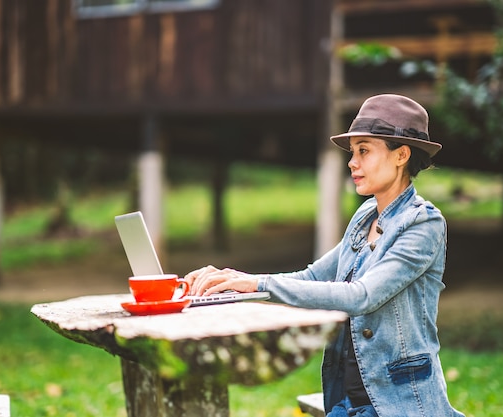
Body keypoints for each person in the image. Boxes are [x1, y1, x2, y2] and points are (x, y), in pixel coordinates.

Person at [185, 94, 465, 417]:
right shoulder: (365, 216)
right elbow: (313, 278)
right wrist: (237, 283)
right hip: (347, 401)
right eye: (353, 152)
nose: (352, 161)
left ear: (401, 155)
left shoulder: (424, 224)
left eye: (364, 150)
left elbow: (361, 296)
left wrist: (257, 283)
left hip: (397, 404)